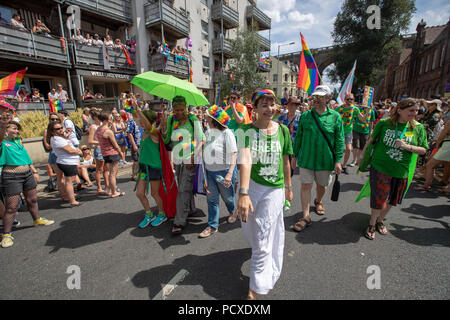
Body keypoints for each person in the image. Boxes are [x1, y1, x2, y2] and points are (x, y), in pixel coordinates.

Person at [236, 89, 293, 300]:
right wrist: (244, 193)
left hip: (274, 189)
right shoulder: (245, 131)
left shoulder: (284, 131)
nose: (269, 109)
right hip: (252, 185)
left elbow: (286, 161)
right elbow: (246, 160)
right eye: (264, 105)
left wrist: (288, 187)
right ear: (256, 108)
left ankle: (255, 287)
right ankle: (262, 252)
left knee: (261, 237)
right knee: (250, 229)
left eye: (272, 104)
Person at [360, 98, 427, 240]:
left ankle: (380, 220)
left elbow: (423, 149)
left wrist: (406, 147)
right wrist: (363, 156)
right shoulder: (385, 123)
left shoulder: (418, 128)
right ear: (400, 110)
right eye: (411, 110)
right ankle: (372, 223)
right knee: (379, 197)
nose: (414, 113)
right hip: (380, 166)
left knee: (393, 199)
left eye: (416, 111)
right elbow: (371, 140)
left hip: (401, 169)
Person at [291, 85, 344, 231]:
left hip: (325, 160)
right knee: (305, 186)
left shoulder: (335, 117)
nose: (317, 99)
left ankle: (318, 201)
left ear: (328, 98)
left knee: (322, 186)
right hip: (307, 159)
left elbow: (339, 140)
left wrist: (338, 160)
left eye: (321, 96)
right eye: (315, 96)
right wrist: (294, 156)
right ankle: (305, 216)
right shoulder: (305, 116)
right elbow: (299, 137)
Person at [0, 120, 54, 248]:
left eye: (17, 129)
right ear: (5, 130)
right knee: (12, 207)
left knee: (32, 200)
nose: (16, 131)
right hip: (11, 177)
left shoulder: (18, 142)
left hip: (27, 174)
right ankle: (6, 234)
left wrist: (34, 171)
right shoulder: (3, 143)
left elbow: (26, 157)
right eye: (13, 128)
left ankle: (37, 220)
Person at [160, 95, 206, 235]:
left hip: (189, 160)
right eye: (176, 109)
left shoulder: (193, 120)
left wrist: (193, 156)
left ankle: (179, 221)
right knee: (183, 187)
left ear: (186, 108)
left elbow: (201, 140)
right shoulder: (171, 120)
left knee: (182, 190)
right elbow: (167, 139)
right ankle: (190, 209)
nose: (178, 112)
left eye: (181, 109)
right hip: (178, 160)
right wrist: (163, 128)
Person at [201, 105, 237, 238]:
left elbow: (234, 154)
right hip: (209, 172)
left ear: (213, 119)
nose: (205, 118)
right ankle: (212, 226)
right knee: (212, 199)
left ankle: (233, 211)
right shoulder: (208, 132)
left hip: (224, 172)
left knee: (228, 197)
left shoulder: (227, 133)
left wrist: (229, 174)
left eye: (207, 116)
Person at [132, 107, 167, 228]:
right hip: (144, 167)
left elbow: (147, 124)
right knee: (140, 193)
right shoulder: (145, 132)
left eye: (142, 120)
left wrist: (138, 109)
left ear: (148, 121)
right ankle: (149, 214)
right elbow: (135, 118)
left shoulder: (155, 132)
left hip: (154, 167)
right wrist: (135, 109)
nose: (140, 122)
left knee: (154, 193)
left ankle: (162, 214)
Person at [47, 121, 82, 206]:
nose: (61, 130)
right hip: (67, 162)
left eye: (61, 127)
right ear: (52, 131)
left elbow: (69, 146)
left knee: (69, 180)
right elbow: (69, 150)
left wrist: (66, 137)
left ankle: (69, 196)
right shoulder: (56, 139)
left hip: (69, 161)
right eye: (57, 129)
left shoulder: (60, 138)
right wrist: (78, 151)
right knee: (69, 181)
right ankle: (72, 200)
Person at [414, 117, 450, 192]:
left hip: (447, 145)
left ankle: (426, 186)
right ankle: (447, 187)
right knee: (447, 165)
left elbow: (443, 134)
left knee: (430, 165)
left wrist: (438, 144)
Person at [95, 111, 125, 198]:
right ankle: (114, 192)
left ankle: (111, 189)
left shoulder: (98, 129)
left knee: (110, 172)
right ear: (108, 119)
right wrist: (121, 153)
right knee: (112, 173)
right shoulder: (108, 131)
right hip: (112, 153)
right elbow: (115, 145)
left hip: (105, 153)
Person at [335, 93, 365, 174]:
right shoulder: (339, 108)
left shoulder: (355, 109)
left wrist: (368, 111)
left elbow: (362, 119)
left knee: (348, 149)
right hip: (338, 131)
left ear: (353, 100)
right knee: (337, 149)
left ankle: (344, 166)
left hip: (348, 131)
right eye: (348, 99)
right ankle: (335, 164)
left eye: (351, 99)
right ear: (345, 99)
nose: (349, 101)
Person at [278, 97, 301, 177]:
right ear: (287, 106)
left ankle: (287, 187)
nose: (291, 107)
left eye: (294, 105)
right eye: (290, 105)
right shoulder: (281, 118)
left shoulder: (301, 119)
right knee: (281, 169)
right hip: (282, 148)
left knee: (290, 171)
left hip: (294, 149)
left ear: (297, 107)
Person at [88, 109, 110, 195]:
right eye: (98, 117)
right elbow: (90, 141)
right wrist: (101, 142)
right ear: (94, 118)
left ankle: (107, 186)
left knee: (106, 169)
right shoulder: (93, 127)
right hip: (99, 149)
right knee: (99, 169)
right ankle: (99, 188)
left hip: (105, 148)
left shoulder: (102, 125)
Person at [43, 113, 62, 196]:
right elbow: (47, 146)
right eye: (52, 119)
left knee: (66, 176)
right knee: (60, 176)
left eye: (56, 119)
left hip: (63, 154)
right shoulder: (47, 131)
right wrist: (56, 143)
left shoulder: (61, 128)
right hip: (54, 155)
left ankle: (67, 192)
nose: (54, 121)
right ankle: (63, 194)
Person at [126, 112, 143, 181]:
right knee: (136, 161)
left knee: (142, 160)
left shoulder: (141, 121)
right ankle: (134, 175)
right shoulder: (131, 121)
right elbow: (129, 133)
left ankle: (140, 174)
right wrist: (134, 144)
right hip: (136, 143)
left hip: (142, 143)